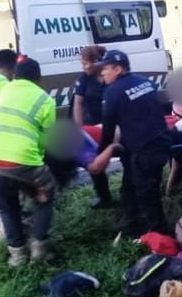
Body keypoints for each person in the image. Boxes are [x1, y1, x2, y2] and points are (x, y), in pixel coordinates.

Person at [0, 57, 57, 266]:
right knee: (45, 196)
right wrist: (39, 167)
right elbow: (46, 140)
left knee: (7, 208)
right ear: (38, 78)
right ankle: (39, 248)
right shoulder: (45, 100)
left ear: (14, 75)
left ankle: (17, 256)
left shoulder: (3, 91)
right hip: (23, 162)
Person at [89, 50, 172, 237]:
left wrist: (100, 155)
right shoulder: (144, 82)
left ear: (118, 69)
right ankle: (132, 226)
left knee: (147, 195)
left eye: (106, 69)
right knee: (129, 188)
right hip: (159, 143)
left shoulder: (113, 92)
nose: (102, 73)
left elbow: (108, 130)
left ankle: (162, 239)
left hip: (145, 150)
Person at [72, 45, 112, 208]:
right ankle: (103, 196)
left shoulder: (109, 75)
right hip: (93, 125)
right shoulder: (83, 79)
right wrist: (80, 130)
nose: (83, 67)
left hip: (113, 124)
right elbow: (78, 104)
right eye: (82, 63)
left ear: (97, 62)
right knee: (94, 161)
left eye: (85, 63)